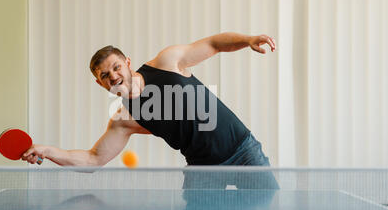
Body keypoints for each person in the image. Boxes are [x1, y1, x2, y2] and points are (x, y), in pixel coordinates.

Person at [22, 32, 279, 189]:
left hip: (243, 152)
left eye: (116, 67)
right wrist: (47, 151)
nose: (113, 75)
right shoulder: (125, 120)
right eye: (104, 75)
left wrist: (247, 40)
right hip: (203, 170)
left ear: (128, 63)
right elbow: (93, 160)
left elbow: (213, 43)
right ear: (99, 83)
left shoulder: (167, 62)